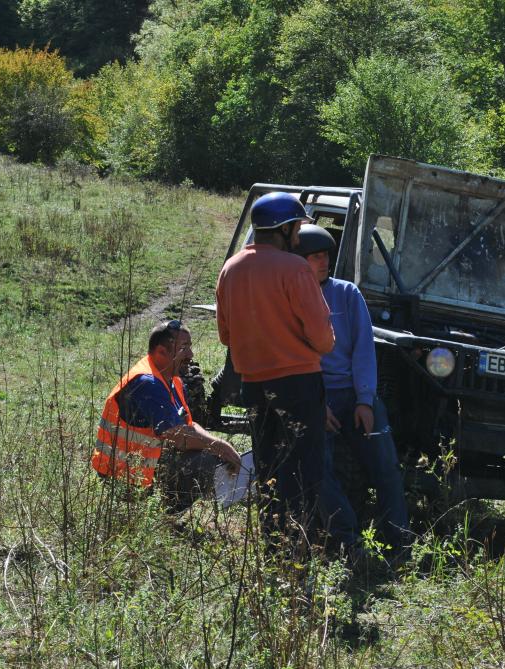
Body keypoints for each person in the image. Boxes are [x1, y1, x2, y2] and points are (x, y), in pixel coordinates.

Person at [215, 192, 335, 543]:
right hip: (298, 385)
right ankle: (299, 547)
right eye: (297, 225)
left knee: (267, 465)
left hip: (254, 386)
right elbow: (324, 340)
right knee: (305, 468)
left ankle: (272, 542)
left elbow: (225, 336)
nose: (299, 233)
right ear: (283, 228)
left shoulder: (231, 268)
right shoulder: (295, 268)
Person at [296, 224, 412, 556]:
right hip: (318, 398)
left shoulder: (347, 293)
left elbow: (364, 349)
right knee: (320, 471)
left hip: (354, 393)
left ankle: (398, 542)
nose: (324, 262)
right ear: (298, 261)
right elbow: (296, 359)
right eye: (315, 257)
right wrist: (317, 404)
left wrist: (365, 400)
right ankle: (348, 541)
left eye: (326, 256)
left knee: (386, 467)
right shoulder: (289, 297)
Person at [93, 320, 242, 511]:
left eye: (190, 347)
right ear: (161, 352)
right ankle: (162, 515)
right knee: (205, 462)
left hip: (140, 468)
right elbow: (179, 436)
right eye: (183, 348)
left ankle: (162, 511)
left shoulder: (171, 380)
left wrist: (221, 446)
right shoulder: (148, 383)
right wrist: (221, 447)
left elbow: (187, 425)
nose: (190, 355)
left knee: (209, 452)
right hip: (122, 476)